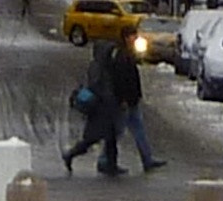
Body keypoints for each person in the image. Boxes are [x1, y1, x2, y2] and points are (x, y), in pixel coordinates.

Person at [107, 27, 167, 172]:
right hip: (125, 101)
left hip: (131, 100)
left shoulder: (127, 54)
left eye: (135, 35)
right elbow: (120, 79)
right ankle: (105, 159)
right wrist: (123, 99)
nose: (134, 38)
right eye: (132, 36)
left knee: (136, 129)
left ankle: (147, 159)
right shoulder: (121, 55)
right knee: (117, 131)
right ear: (126, 38)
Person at [61, 38, 122, 175]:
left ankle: (112, 165)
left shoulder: (103, 65)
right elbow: (95, 86)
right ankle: (70, 154)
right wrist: (106, 96)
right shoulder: (97, 67)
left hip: (106, 108)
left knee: (110, 138)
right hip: (100, 109)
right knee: (92, 139)